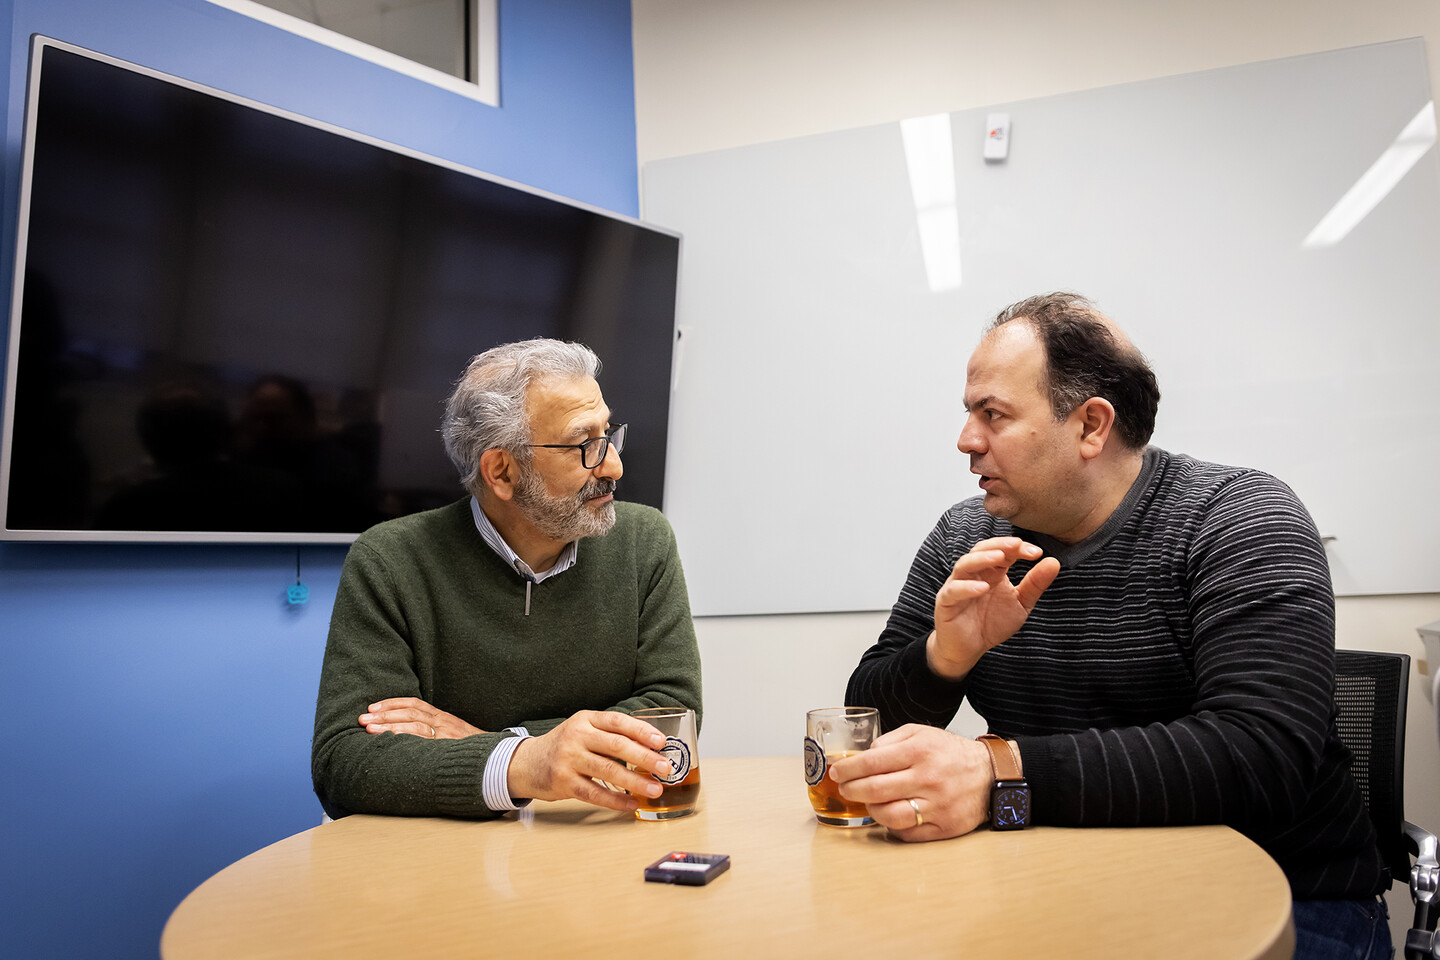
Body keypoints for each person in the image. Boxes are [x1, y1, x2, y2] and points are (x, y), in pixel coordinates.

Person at [837, 293, 1391, 958]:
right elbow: (865, 716)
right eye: (969, 414)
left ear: (1092, 426)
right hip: (1052, 882)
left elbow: (1261, 753)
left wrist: (998, 773)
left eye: (994, 415)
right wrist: (943, 656)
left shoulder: (1238, 517)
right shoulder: (966, 534)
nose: (966, 440)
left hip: (1286, 895)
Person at [312, 339, 702, 820]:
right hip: (444, 865)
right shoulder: (390, 560)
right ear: (501, 471)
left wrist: (502, 748)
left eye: (609, 434)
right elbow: (345, 763)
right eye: (585, 445)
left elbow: (672, 713)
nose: (614, 467)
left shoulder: (644, 539)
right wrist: (525, 762)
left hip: (595, 842)